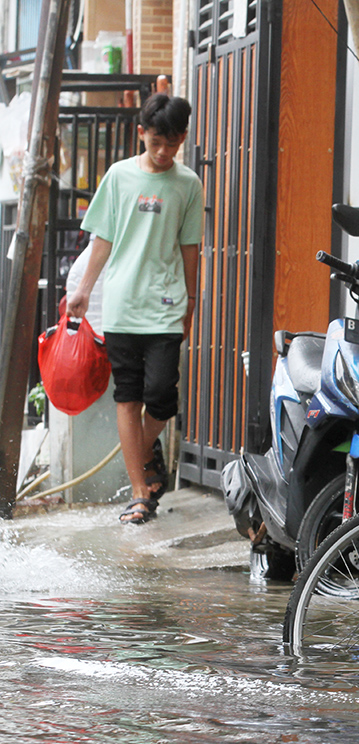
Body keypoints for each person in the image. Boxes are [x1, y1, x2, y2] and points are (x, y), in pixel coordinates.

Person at [66, 93, 204, 525]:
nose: (163, 153)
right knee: (127, 396)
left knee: (162, 397)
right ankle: (140, 491)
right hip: (122, 303)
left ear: (182, 139)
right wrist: (84, 290)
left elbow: (190, 248)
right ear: (141, 133)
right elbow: (102, 239)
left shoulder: (188, 184)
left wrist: (192, 302)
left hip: (165, 305)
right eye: (156, 142)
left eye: (172, 144)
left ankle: (143, 456)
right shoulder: (119, 176)